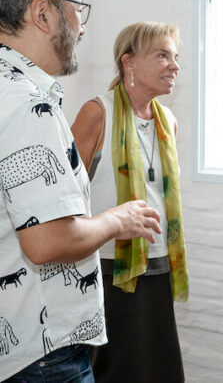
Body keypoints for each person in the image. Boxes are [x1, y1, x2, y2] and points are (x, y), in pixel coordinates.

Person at [0, 0, 161, 382]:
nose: (83, 26)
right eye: (77, 11)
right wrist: (118, 218)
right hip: (41, 355)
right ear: (43, 13)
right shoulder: (29, 104)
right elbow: (48, 241)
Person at [71, 21, 188, 382]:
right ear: (130, 63)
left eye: (176, 56)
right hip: (107, 269)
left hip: (157, 265)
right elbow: (63, 197)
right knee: (115, 371)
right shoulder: (97, 113)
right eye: (163, 55)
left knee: (157, 369)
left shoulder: (167, 120)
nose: (174, 65)